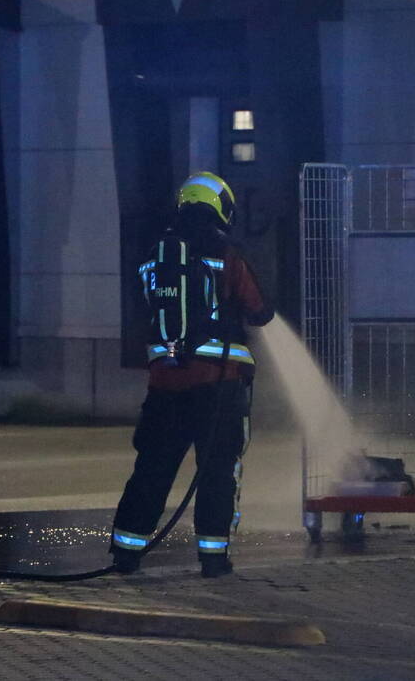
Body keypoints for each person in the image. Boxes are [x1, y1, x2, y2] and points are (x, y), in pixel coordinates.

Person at [109, 171, 274, 578]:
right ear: (222, 207)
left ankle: (126, 552)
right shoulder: (225, 254)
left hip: (165, 383)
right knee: (218, 470)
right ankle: (213, 557)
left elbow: (145, 309)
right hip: (220, 384)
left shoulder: (154, 255)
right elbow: (259, 310)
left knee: (152, 468)